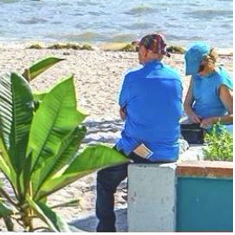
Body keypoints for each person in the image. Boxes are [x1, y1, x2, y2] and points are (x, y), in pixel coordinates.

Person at [94, 33, 183, 233]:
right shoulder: (175, 78)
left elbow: (123, 111)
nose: (137, 53)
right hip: (169, 150)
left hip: (137, 149)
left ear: (144, 50)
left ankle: (106, 228)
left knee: (104, 177)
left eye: (138, 49)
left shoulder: (133, 77)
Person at [182, 42, 233, 140]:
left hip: (214, 125)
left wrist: (212, 120)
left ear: (208, 61)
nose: (198, 73)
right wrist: (191, 114)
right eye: (195, 70)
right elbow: (187, 104)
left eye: (199, 69)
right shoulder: (196, 76)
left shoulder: (220, 82)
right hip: (197, 123)